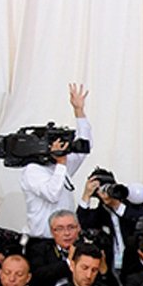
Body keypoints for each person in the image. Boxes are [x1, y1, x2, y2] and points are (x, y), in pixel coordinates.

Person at [19, 84, 92, 252]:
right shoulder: (32, 170)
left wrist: (79, 112)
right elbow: (52, 194)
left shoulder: (62, 165)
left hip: (68, 241)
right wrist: (60, 163)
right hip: (42, 242)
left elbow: (84, 148)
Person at [26, 210, 81, 286]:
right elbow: (37, 276)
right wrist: (68, 263)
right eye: (60, 229)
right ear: (52, 232)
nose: (66, 233)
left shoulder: (85, 249)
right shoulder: (40, 249)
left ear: (78, 229)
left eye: (71, 227)